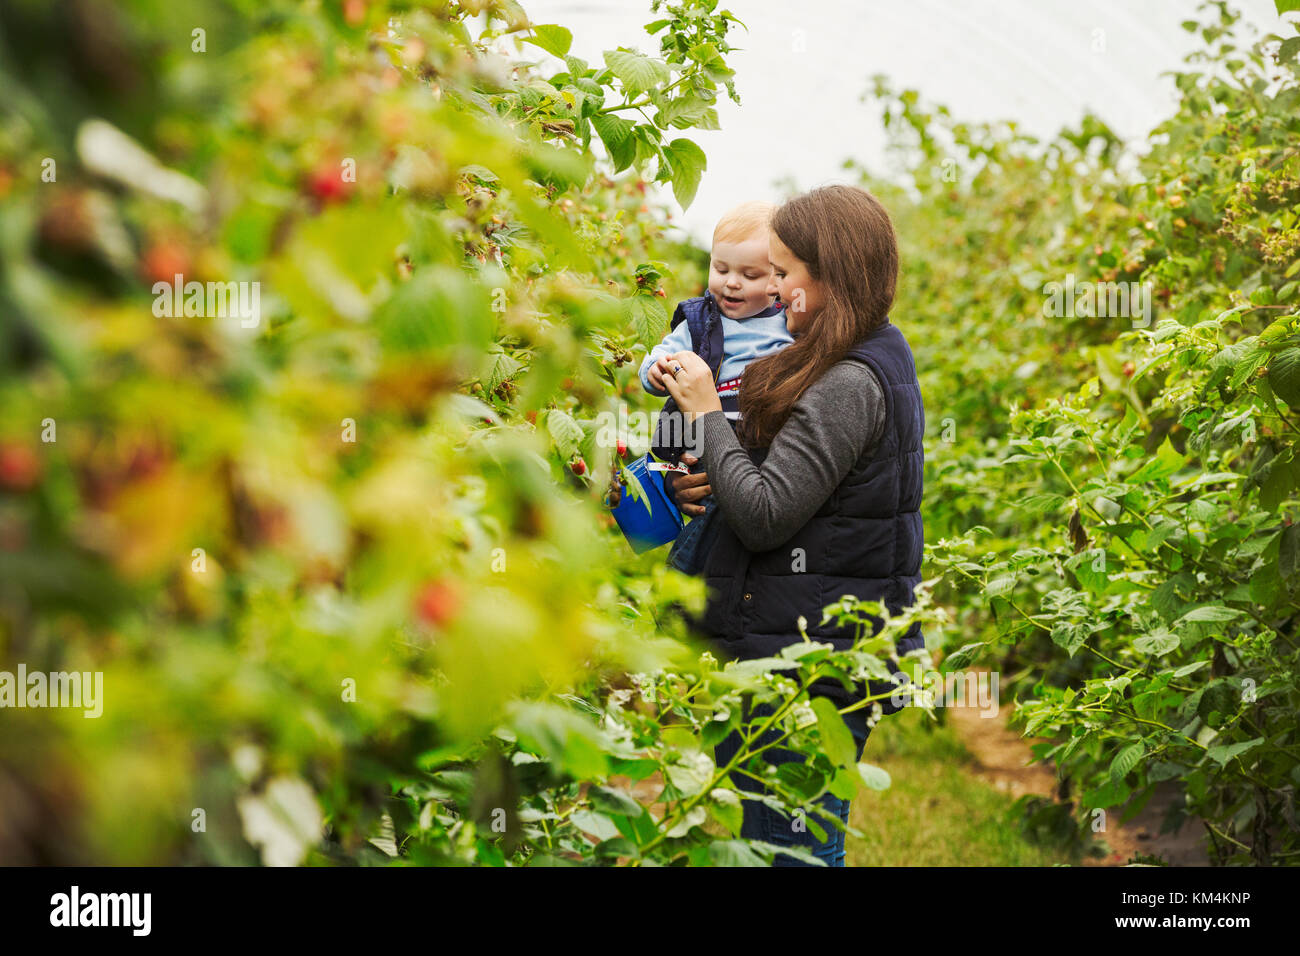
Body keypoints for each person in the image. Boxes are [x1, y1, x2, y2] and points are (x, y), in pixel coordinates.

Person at [656, 184, 926, 867]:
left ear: (829, 277)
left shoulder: (847, 383)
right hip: (797, 641)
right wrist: (713, 470)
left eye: (783, 274)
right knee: (776, 843)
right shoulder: (860, 352)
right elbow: (785, 482)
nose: (771, 292)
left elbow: (768, 514)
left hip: (807, 661)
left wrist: (704, 415)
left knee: (791, 850)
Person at [637, 200, 793, 575]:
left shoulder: (788, 325)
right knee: (696, 509)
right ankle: (674, 588)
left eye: (749, 274)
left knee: (730, 522)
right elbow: (658, 357)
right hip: (701, 442)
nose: (731, 282)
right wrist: (657, 372)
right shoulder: (699, 322)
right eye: (720, 268)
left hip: (757, 445)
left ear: (777, 279)